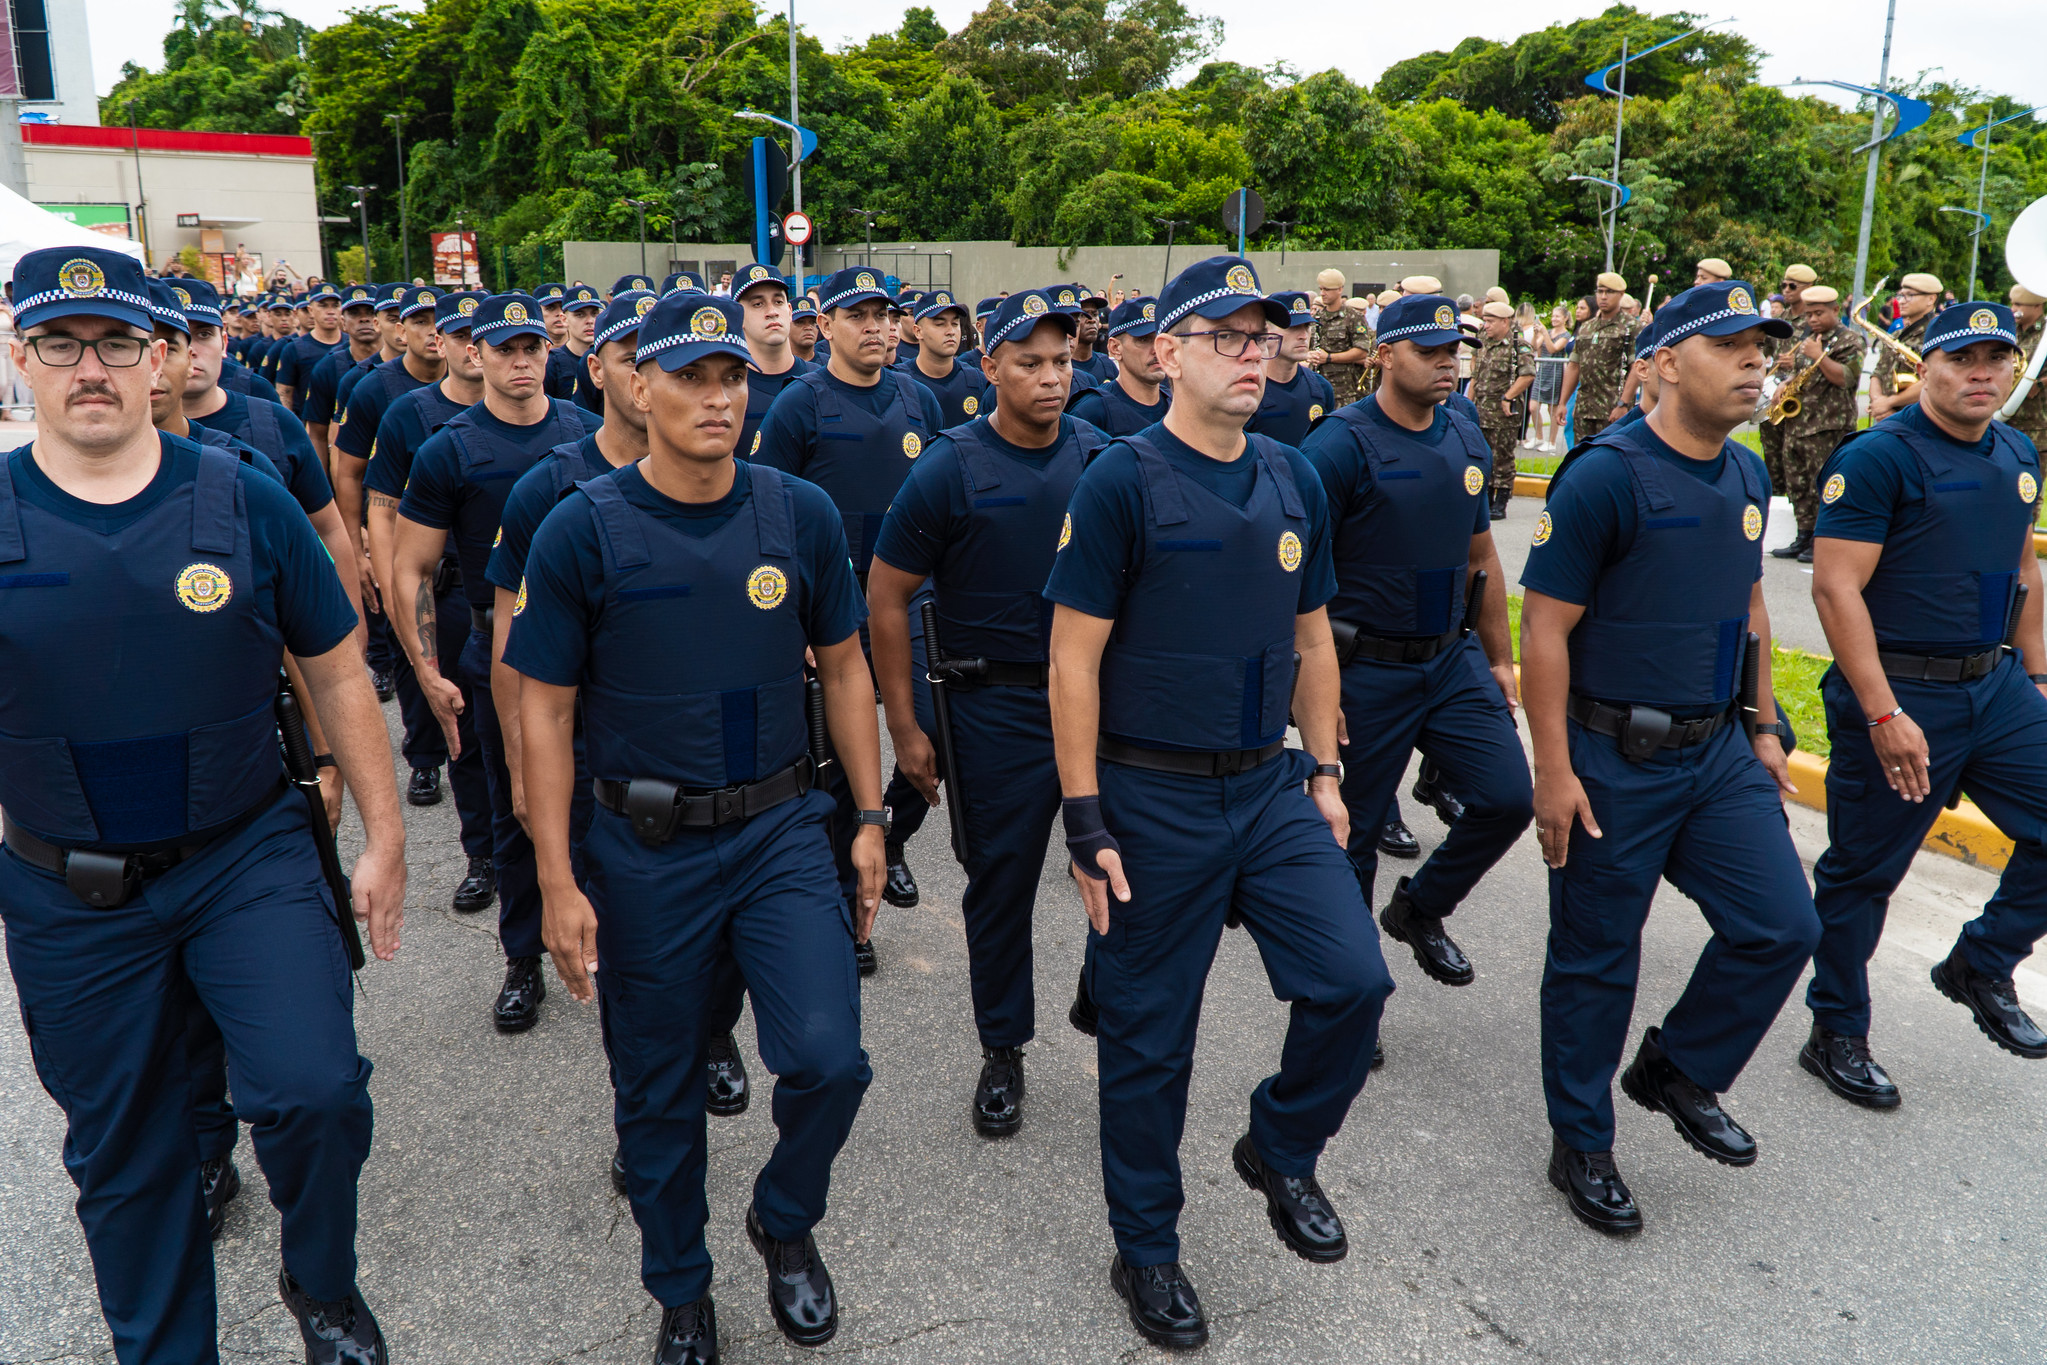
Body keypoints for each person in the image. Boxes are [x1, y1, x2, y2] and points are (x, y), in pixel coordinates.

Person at [0, 244, 405, 1363]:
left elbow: (333, 667)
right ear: (19, 355)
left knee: (316, 1090)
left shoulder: (244, 497)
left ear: (158, 358)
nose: (92, 368)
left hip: (246, 857)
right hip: (65, 889)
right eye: (62, 344)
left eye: (117, 343)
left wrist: (382, 836)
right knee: (127, 1153)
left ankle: (320, 1281)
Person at [511, 290, 881, 1361]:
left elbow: (846, 667)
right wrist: (556, 880)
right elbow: (542, 708)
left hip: (776, 830)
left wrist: (865, 819)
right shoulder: (583, 526)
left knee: (828, 1059)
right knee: (656, 1090)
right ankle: (681, 1287)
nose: (718, 398)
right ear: (637, 384)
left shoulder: (795, 512)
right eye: (691, 377)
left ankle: (784, 1217)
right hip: (643, 849)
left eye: (732, 377)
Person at [1044, 256, 1393, 1349]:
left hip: (1267, 784)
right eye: (1229, 336)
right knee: (1151, 1045)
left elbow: (1310, 639)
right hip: (1150, 797)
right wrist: (1086, 818)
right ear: (1167, 352)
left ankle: (1277, 1147)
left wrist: (1327, 774)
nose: (1256, 354)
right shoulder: (1121, 479)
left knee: (1352, 982)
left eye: (1266, 337)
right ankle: (1145, 1248)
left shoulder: (1294, 477)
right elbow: (1071, 661)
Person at [1521, 280, 1816, 1235]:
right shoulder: (1606, 474)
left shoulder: (1743, 472)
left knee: (1780, 925)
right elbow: (1545, 631)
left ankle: (1677, 1067)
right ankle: (1582, 1139)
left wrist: (1764, 725)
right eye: (1730, 345)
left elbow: (1752, 609)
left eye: (1760, 347)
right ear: (1661, 361)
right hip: (1612, 755)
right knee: (1596, 956)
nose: (1753, 362)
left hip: (1716, 749)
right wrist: (1553, 771)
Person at [868, 290, 1107, 1140]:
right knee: (999, 887)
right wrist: (906, 726)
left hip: (1092, 702)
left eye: (1062, 361)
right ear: (990, 366)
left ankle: (1099, 986)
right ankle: (1002, 1047)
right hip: (990, 705)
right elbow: (887, 597)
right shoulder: (950, 464)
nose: (1051, 378)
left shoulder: (1100, 455)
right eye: (1030, 363)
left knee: (1128, 862)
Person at [1803, 299, 2047, 1102]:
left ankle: (1979, 963)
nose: (1981, 375)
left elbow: (2023, 572)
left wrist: (2036, 680)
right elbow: (1835, 586)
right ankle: (1835, 1028)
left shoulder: (2016, 450)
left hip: (1995, 684)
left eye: (1995, 360)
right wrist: (1881, 713)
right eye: (1961, 360)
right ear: (1926, 368)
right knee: (1861, 874)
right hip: (1900, 692)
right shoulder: (1879, 456)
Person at [1301, 291, 1532, 990]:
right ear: (1382, 356)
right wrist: (1309, 692)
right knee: (1355, 836)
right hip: (1361, 668)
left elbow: (1480, 558)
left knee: (1506, 798)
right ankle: (1348, 989)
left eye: (1452, 352)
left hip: (1449, 658)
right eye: (1428, 352)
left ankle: (1420, 908)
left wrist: (1497, 658)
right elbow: (1288, 579)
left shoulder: (1463, 430)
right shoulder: (1337, 446)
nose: (1445, 364)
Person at [390, 294, 600, 1031]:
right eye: (504, 348)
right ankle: (522, 958)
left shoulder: (587, 434)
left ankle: (621, 945)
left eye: (532, 348)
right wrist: (423, 665)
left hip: (589, 652)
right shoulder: (449, 447)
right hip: (499, 646)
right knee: (518, 808)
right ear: (474, 353)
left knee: (601, 802)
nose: (520, 362)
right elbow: (410, 564)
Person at [752, 267, 948, 968]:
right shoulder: (799, 406)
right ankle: (845, 908)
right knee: (834, 767)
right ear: (825, 324)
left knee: (935, 737)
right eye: (857, 314)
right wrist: (793, 620)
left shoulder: (919, 399)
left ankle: (889, 833)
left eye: (884, 314)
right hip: (830, 599)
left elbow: (945, 502)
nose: (875, 327)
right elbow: (765, 513)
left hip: (912, 601)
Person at [1766, 286, 1864, 563]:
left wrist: (1819, 356)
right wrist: (1785, 383)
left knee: (1820, 485)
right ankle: (1803, 535)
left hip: (1829, 425)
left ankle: (1821, 539)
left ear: (1835, 310)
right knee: (1798, 483)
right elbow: (1799, 373)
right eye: (1808, 314)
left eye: (1819, 313)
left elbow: (1846, 378)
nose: (1812, 319)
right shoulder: (1809, 338)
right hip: (1798, 423)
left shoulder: (1850, 340)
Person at [729, 265, 818, 458]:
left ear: (789, 310)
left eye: (778, 302)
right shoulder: (726, 389)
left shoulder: (821, 380)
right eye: (758, 304)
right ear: (738, 316)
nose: (771, 312)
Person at [302, 284, 382, 477]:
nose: (364, 318)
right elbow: (317, 435)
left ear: (379, 321)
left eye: (370, 312)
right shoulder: (327, 368)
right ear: (342, 323)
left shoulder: (401, 364)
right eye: (354, 313)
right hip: (349, 471)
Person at [1757, 264, 1817, 507]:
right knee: (1772, 454)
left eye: (1792, 286)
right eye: (1784, 285)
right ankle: (1775, 503)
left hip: (1801, 398)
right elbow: (1762, 352)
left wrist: (1796, 362)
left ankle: (1799, 511)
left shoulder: (1814, 322)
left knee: (1795, 458)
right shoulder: (1779, 321)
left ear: (1808, 288)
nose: (1786, 290)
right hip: (1774, 397)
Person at [1469, 299, 1536, 516]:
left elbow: (1527, 374)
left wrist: (1508, 397)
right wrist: (1470, 399)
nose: (1485, 325)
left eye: (1490, 321)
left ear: (1504, 322)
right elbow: (1475, 371)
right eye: (1485, 320)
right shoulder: (1483, 339)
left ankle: (1502, 501)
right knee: (1483, 455)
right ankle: (1486, 498)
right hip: (1481, 408)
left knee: (1503, 456)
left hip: (1503, 413)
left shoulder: (1517, 344)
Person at [1557, 272, 1640, 443]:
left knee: (1610, 460)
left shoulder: (1631, 327)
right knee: (1581, 458)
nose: (1603, 296)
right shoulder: (1587, 327)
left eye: (1609, 292)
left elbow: (1636, 368)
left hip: (1613, 408)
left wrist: (1623, 404)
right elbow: (1574, 365)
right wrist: (1562, 402)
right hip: (1584, 408)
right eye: (1600, 291)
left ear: (1621, 295)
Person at [1067, 295, 1169, 435]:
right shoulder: (1092, 411)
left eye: (1159, 339)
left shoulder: (1177, 405)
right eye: (1144, 339)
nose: (1156, 349)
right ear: (1115, 348)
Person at [1244, 289, 1335, 446]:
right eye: (1293, 327)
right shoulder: (1247, 389)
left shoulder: (1321, 389)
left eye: (1307, 326)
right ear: (1267, 331)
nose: (1303, 335)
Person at [895, 288, 990, 430]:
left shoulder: (978, 381)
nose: (950, 331)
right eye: (940, 324)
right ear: (918, 331)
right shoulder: (898, 382)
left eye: (955, 324)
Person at [1871, 273, 1942, 420]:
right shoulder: (1896, 334)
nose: (1901, 301)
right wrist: (1878, 402)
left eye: (1909, 295)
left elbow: (1934, 380)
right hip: (1886, 420)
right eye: (1900, 295)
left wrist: (1890, 403)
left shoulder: (1939, 335)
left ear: (1931, 299)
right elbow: (1878, 373)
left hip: (1919, 423)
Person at [273, 284, 346, 416]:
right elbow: (284, 393)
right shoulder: (294, 348)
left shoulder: (350, 344)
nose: (330, 311)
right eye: (323, 305)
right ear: (311, 310)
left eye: (335, 305)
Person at [1310, 268, 1369, 406]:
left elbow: (1362, 351)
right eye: (1321, 289)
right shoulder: (1317, 318)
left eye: (1327, 289)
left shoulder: (1353, 317)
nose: (1322, 293)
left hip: (1344, 392)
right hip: (1318, 388)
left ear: (1339, 290)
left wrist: (1329, 357)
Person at [2006, 284, 2047, 451]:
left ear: (2037, 305)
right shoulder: (2009, 332)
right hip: (2005, 419)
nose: (2013, 309)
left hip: (2036, 424)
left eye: (2019, 304)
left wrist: (2040, 384)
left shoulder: (2045, 333)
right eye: (2013, 303)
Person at [1532, 304, 1569, 451]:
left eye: (1557, 316)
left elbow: (1553, 349)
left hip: (1556, 373)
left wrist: (1544, 334)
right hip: (1542, 372)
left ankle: (1552, 442)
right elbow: (1535, 347)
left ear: (1565, 318)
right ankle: (1539, 436)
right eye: (1553, 316)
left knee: (1552, 409)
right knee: (1533, 407)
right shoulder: (1546, 331)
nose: (1554, 319)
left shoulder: (1565, 336)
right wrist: (1536, 334)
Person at [1069, 282, 1117, 383]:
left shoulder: (1107, 365)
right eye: (1084, 314)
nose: (1091, 320)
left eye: (1095, 314)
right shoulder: (1063, 367)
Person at [789, 297, 820, 363]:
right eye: (800, 322)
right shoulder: (778, 365)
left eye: (813, 322)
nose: (808, 327)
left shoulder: (830, 363)